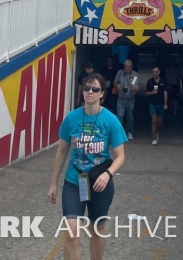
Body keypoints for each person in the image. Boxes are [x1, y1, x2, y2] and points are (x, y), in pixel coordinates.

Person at [49, 73, 126, 260]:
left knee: (97, 229)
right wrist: (53, 183)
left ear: (102, 94)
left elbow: (120, 157)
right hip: (75, 181)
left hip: (100, 182)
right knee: (72, 233)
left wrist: (108, 174)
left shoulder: (110, 120)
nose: (90, 92)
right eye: (86, 88)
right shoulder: (71, 118)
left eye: (95, 89)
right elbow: (61, 151)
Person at [113, 59, 140, 139]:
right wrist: (117, 86)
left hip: (131, 98)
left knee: (130, 116)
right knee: (120, 116)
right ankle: (119, 133)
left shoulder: (135, 74)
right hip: (121, 98)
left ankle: (129, 132)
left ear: (131, 67)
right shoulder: (120, 73)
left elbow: (139, 85)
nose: (127, 68)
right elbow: (115, 82)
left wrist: (137, 88)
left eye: (129, 67)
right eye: (126, 66)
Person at [145, 65, 168, 144]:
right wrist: (152, 92)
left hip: (161, 104)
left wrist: (165, 103)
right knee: (154, 121)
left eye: (156, 71)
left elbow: (165, 92)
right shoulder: (150, 81)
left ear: (159, 72)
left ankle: (157, 132)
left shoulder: (163, 81)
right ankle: (154, 139)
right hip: (152, 103)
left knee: (159, 122)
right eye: (153, 72)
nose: (155, 73)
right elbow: (146, 93)